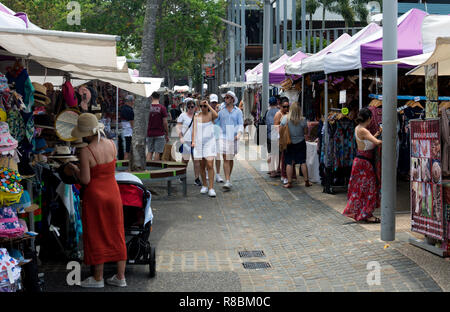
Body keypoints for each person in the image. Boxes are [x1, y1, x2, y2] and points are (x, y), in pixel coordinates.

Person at [68, 113, 127, 288]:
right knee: (117, 231)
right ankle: (120, 276)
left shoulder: (86, 151)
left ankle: (98, 278)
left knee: (97, 232)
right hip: (113, 192)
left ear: (86, 133)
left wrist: (74, 169)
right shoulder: (111, 144)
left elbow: (85, 180)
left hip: (95, 196)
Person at [343, 107, 382, 223]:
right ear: (369, 118)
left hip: (360, 161)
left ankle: (361, 212)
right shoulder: (364, 130)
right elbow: (377, 143)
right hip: (365, 163)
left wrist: (376, 133)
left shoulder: (358, 128)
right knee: (370, 188)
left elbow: (368, 142)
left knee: (360, 188)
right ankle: (367, 214)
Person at [216, 90, 244, 191]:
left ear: (232, 99)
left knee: (230, 159)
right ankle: (227, 180)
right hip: (223, 136)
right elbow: (216, 122)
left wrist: (239, 134)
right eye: (225, 97)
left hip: (234, 136)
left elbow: (240, 124)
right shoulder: (221, 111)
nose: (226, 99)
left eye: (228, 97)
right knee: (225, 158)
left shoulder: (238, 111)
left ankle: (228, 178)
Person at [280, 102, 311, 189]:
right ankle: (306, 181)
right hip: (301, 142)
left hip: (289, 143)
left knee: (289, 162)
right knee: (303, 162)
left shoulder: (285, 118)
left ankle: (289, 182)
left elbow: (281, 129)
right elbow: (305, 132)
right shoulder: (303, 119)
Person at [192, 99, 219, 197]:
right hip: (199, 143)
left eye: (205, 106)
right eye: (201, 106)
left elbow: (216, 115)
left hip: (210, 142)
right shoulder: (196, 117)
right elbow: (194, 130)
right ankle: (204, 185)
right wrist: (193, 141)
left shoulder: (210, 115)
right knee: (202, 165)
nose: (203, 108)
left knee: (210, 164)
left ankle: (211, 188)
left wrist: (208, 105)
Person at [176, 100, 201, 185]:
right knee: (185, 160)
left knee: (196, 160)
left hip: (196, 141)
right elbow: (178, 127)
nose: (191, 108)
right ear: (187, 107)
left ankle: (197, 178)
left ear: (195, 107)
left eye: (192, 106)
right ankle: (182, 175)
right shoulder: (182, 115)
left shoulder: (197, 116)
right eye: (189, 107)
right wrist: (180, 137)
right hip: (186, 141)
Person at [274, 97, 296, 184]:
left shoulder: (288, 114)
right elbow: (275, 127)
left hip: (289, 139)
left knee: (288, 158)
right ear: (280, 106)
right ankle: (284, 174)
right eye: (284, 107)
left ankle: (289, 175)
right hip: (282, 139)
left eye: (288, 107)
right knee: (284, 158)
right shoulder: (278, 114)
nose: (286, 108)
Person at [146, 92, 169, 161]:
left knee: (150, 151)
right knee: (157, 152)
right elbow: (165, 122)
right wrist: (167, 133)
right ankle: (155, 168)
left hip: (149, 133)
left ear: (151, 97)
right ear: (159, 98)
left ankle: (147, 167)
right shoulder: (162, 108)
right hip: (160, 133)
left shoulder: (148, 108)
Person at [210, 94, 224, 183]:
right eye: (212, 102)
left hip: (218, 136)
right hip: (209, 137)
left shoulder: (221, 111)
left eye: (215, 102)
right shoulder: (207, 110)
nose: (214, 104)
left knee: (218, 156)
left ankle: (218, 174)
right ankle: (208, 172)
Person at [266, 97, 280, 178]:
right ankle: (275, 170)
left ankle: (271, 170)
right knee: (276, 153)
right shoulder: (278, 111)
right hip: (276, 134)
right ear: (276, 103)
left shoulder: (267, 112)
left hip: (269, 135)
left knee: (270, 152)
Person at [120, 95, 134, 160]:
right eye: (133, 101)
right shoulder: (130, 110)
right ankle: (126, 162)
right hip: (129, 132)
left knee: (127, 148)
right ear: (131, 101)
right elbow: (132, 122)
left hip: (124, 130)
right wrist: (134, 129)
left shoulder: (123, 108)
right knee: (128, 149)